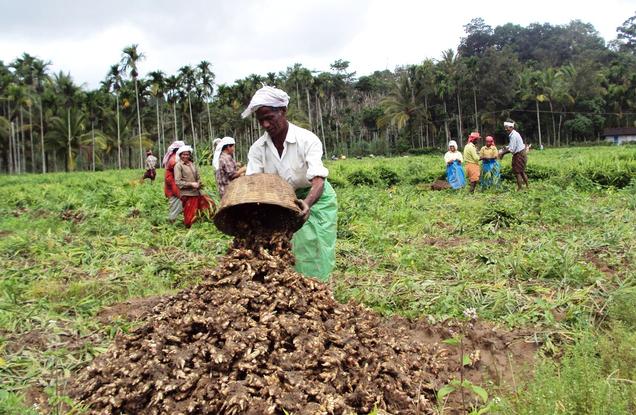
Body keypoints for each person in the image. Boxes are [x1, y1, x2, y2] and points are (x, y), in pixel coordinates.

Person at [242, 85, 337, 281]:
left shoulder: (306, 140)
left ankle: (318, 289)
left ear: (283, 111)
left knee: (314, 245)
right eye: (261, 120)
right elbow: (253, 184)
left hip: (315, 197)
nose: (266, 124)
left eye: (270, 118)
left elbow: (318, 179)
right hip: (282, 200)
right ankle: (290, 286)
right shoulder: (258, 149)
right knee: (282, 246)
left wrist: (307, 204)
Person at [174, 145, 213, 228]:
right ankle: (188, 227)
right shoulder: (178, 166)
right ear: (180, 155)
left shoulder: (192, 164)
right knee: (189, 213)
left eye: (187, 154)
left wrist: (199, 182)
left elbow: (198, 177)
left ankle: (201, 224)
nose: (185, 156)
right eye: (183, 154)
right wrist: (191, 184)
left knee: (207, 205)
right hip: (187, 194)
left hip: (197, 192)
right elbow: (178, 182)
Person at [500, 121, 529, 190]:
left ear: (511, 127)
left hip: (519, 155)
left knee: (517, 172)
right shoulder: (514, 134)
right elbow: (512, 146)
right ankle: (527, 186)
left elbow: (512, 149)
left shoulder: (513, 136)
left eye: (507, 128)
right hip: (522, 153)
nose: (506, 129)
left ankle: (520, 188)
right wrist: (506, 147)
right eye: (505, 128)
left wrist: (502, 153)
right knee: (521, 171)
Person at [163, 141, 184, 222]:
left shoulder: (174, 157)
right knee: (175, 204)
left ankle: (175, 220)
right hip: (173, 186)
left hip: (174, 186)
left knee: (176, 204)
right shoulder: (174, 159)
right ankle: (172, 221)